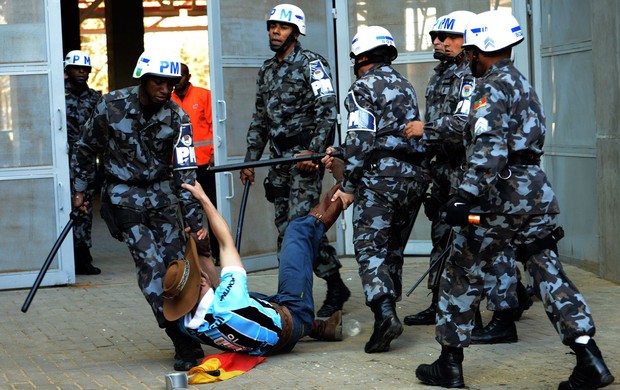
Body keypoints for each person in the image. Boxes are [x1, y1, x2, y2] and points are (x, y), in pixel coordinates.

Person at [415, 11, 615, 389]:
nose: (467, 57)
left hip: (497, 199)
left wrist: (465, 196)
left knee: (461, 273)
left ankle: (449, 363)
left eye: (470, 50)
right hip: (534, 196)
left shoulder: (490, 87)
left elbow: (490, 149)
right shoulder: (521, 82)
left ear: (478, 52)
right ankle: (589, 357)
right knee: (547, 274)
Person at [71, 50, 219, 372]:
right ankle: (180, 338)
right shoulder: (110, 106)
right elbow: (86, 149)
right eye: (159, 82)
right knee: (150, 265)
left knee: (178, 268)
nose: (166, 89)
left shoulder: (177, 117)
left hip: (162, 196)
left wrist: (197, 223)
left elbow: (186, 175)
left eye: (170, 82)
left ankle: (191, 328)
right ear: (143, 79)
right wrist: (80, 191)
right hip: (123, 195)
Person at [323, 26, 429, 354]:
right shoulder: (404, 85)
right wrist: (339, 151)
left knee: (370, 248)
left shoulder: (362, 87)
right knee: (393, 249)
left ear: (363, 58)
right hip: (412, 177)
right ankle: (390, 309)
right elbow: (390, 133)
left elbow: (362, 140)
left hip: (380, 179)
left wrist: (348, 185)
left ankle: (384, 315)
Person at [240, 3, 349, 318]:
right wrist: (250, 160)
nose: (275, 31)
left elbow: (327, 110)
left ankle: (296, 299)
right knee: (285, 229)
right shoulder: (267, 69)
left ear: (296, 32)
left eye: (283, 27)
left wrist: (314, 152)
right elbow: (260, 119)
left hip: (305, 160)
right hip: (278, 162)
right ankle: (329, 284)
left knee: (299, 228)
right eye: (272, 26)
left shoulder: (311, 64)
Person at [163, 179, 345, 356]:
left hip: (270, 346)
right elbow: (226, 243)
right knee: (297, 230)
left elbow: (215, 288)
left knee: (252, 302)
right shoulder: (229, 303)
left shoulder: (186, 325)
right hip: (294, 317)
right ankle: (345, 190)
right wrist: (204, 199)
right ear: (201, 281)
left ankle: (322, 329)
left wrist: (202, 251)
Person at [172, 63, 219, 262]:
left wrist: (214, 155)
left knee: (211, 208)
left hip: (204, 164)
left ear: (188, 76)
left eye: (181, 75)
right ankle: (191, 254)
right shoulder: (167, 99)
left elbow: (215, 125)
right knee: (185, 210)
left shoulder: (203, 95)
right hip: (180, 166)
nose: (178, 80)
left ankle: (217, 252)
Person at [64, 49, 102, 275]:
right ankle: (63, 255)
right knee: (62, 206)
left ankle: (82, 256)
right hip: (61, 160)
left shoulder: (95, 98)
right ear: (67, 70)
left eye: (85, 68)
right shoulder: (57, 94)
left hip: (85, 161)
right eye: (77, 68)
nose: (82, 72)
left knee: (84, 208)